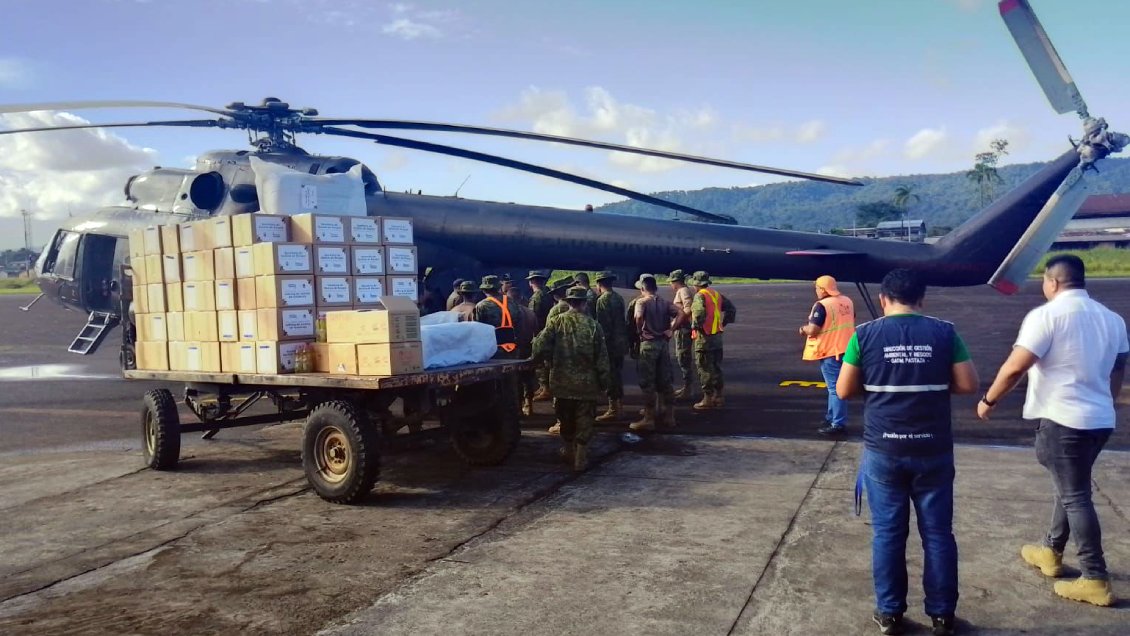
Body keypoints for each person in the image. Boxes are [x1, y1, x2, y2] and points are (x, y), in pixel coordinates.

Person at [976, 254, 1127, 608]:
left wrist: (988, 399)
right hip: (1099, 420)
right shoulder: (1112, 319)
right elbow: (1119, 367)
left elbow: (1015, 367)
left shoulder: (1046, 316)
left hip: (1064, 421)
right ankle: (1051, 550)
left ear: (1053, 282)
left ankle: (1094, 577)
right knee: (1070, 486)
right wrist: (1107, 400)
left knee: (1075, 495)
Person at [836, 268, 979, 636]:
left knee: (887, 533)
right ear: (922, 299)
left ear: (883, 299)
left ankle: (889, 614)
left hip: (884, 448)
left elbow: (843, 390)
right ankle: (943, 616)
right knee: (938, 534)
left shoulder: (864, 335)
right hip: (933, 447)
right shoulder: (945, 332)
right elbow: (968, 384)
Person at [532, 286, 610, 471]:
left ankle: (568, 450)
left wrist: (541, 361)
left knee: (565, 418)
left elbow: (539, 345)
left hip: (561, 382)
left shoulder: (557, 321)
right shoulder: (593, 326)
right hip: (586, 384)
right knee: (585, 419)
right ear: (584, 303)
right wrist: (604, 382)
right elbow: (602, 358)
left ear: (568, 302)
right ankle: (580, 457)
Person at [800, 275, 856, 435]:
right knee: (837, 387)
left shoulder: (822, 305)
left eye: (817, 288)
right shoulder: (847, 301)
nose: (816, 291)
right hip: (847, 349)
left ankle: (837, 423)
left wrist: (803, 329)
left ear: (823, 290)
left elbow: (813, 329)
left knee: (835, 389)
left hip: (831, 351)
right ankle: (831, 417)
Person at [631, 273, 682, 431]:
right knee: (665, 381)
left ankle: (649, 418)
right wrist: (671, 329)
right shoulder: (664, 302)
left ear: (643, 288)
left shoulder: (642, 302)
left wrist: (640, 332)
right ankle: (670, 416)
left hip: (649, 345)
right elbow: (681, 313)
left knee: (648, 382)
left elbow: (638, 317)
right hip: (662, 344)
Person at [689, 271, 736, 410]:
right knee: (716, 367)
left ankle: (707, 398)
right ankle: (719, 396)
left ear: (696, 284)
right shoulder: (716, 294)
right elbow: (731, 309)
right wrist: (723, 323)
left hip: (705, 337)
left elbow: (698, 313)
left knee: (704, 368)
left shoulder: (700, 295)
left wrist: (695, 327)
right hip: (717, 336)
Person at [594, 271, 628, 422]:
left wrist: (600, 345)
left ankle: (614, 409)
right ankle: (619, 406)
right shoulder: (618, 297)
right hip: (620, 342)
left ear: (599, 284)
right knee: (617, 375)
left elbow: (604, 326)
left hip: (610, 344)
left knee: (610, 376)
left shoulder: (602, 300)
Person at [507, 283, 540, 416]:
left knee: (516, 381)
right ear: (521, 298)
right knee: (528, 379)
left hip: (513, 351)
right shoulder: (530, 313)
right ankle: (529, 405)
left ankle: (519, 408)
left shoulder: (508, 313)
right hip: (528, 349)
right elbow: (536, 333)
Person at [473, 275, 519, 359]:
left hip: (492, 351)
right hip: (512, 349)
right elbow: (519, 322)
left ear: (483, 290)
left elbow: (477, 330)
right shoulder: (512, 302)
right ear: (499, 287)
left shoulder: (481, 306)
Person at [527, 270, 556, 401]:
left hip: (539, 331)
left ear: (531, 282)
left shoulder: (536, 297)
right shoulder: (547, 293)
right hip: (548, 330)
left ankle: (545, 388)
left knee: (540, 361)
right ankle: (544, 387)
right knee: (546, 360)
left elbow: (532, 316)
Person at [668, 269, 696, 400]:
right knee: (682, 358)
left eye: (671, 282)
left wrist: (676, 323)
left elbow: (688, 308)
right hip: (682, 328)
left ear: (676, 281)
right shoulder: (682, 291)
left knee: (683, 358)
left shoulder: (683, 291)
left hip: (683, 329)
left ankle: (688, 389)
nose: (670, 285)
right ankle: (686, 387)